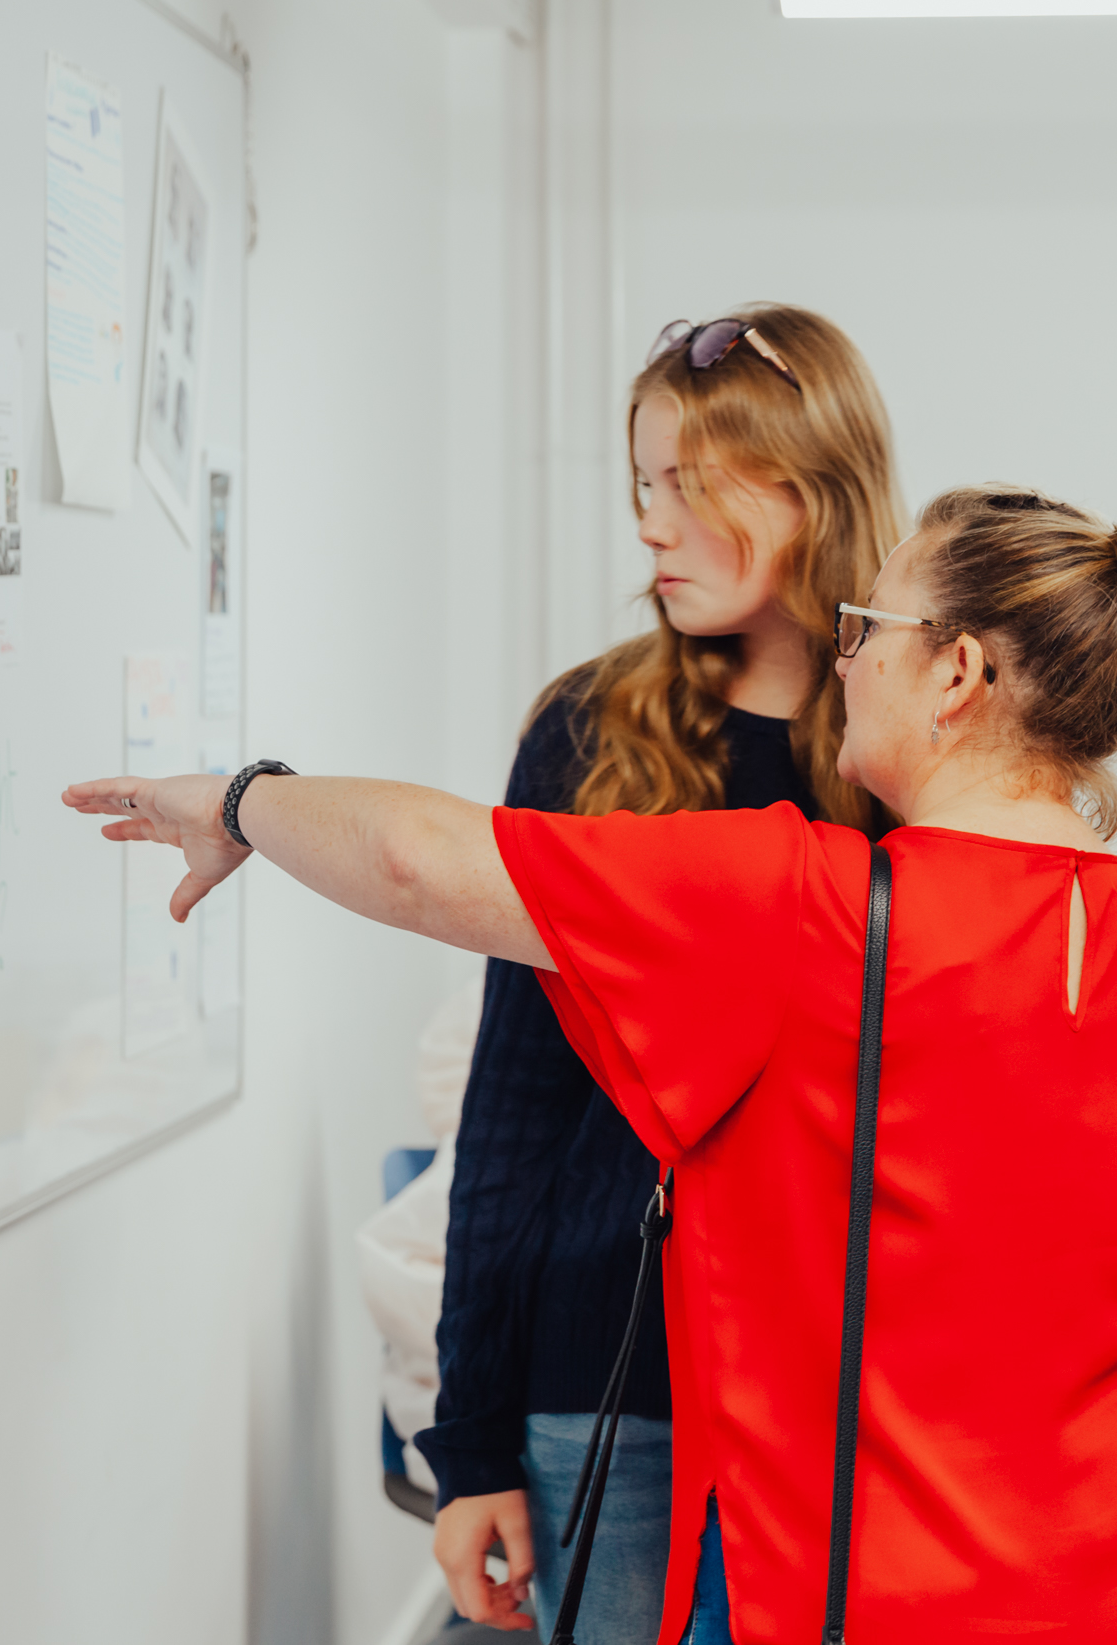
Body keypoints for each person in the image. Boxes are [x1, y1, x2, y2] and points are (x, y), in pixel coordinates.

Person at [63, 483, 1117, 1644]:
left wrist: (237, 799)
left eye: (863, 626)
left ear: (955, 672)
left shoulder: (803, 905)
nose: (845, 658)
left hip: (902, 1605)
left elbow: (420, 859)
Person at [420, 306, 905, 1640]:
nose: (649, 523)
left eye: (690, 486)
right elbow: (514, 1103)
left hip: (845, 1381)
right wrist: (471, 1444)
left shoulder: (916, 753)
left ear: (813, 489)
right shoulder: (585, 730)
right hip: (605, 1381)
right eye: (642, 484)